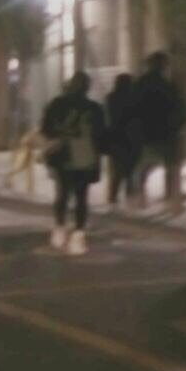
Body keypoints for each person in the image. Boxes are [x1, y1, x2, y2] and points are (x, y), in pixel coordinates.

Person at [41, 72, 107, 256]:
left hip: (64, 156)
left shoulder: (57, 104)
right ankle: (78, 233)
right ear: (87, 88)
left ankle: (60, 228)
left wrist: (59, 135)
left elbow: (46, 128)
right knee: (81, 197)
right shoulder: (94, 108)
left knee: (62, 194)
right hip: (86, 158)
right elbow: (101, 136)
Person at [131, 51, 186, 204]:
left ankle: (142, 194)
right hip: (166, 131)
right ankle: (169, 196)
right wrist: (179, 124)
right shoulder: (167, 85)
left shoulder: (141, 84)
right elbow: (178, 106)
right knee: (170, 164)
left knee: (146, 164)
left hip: (147, 131)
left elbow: (134, 108)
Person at [104, 73, 140, 209]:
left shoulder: (111, 98)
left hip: (115, 137)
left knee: (117, 169)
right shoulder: (133, 98)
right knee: (130, 168)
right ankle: (129, 195)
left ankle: (113, 196)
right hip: (131, 136)